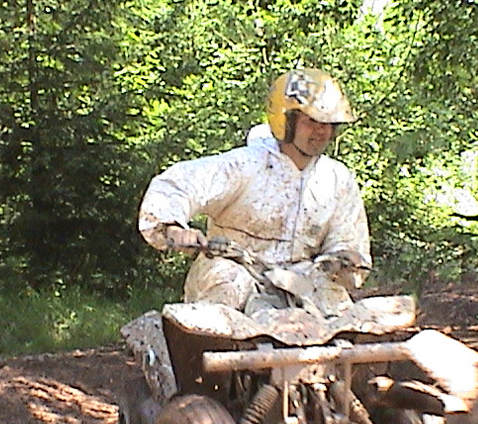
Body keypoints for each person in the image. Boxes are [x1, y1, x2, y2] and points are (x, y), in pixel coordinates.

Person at [137, 68, 371, 311]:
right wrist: (173, 227)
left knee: (334, 301)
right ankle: (208, 346)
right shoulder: (245, 165)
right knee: (228, 287)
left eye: (328, 124)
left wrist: (345, 259)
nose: (321, 131)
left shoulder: (337, 179)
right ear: (286, 121)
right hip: (234, 268)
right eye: (311, 121)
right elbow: (178, 185)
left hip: (298, 279)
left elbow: (346, 242)